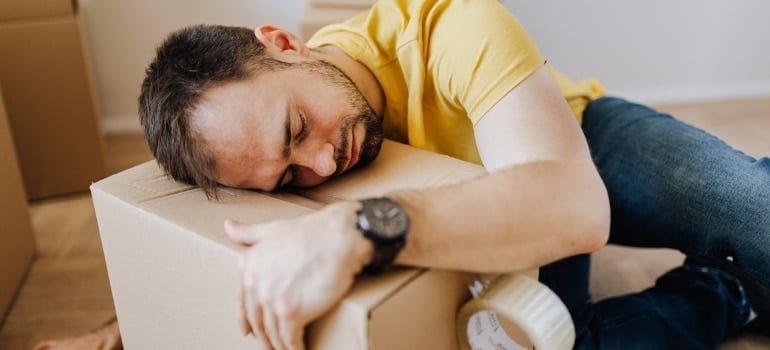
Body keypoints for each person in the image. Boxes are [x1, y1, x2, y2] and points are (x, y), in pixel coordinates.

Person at [37, 0, 769, 348]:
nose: (323, 164)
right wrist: (131, 324)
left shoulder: (449, 24)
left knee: (752, 208)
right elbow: (223, 249)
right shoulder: (275, 155)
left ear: (285, 44)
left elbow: (574, 206)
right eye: (292, 179)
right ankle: (727, 292)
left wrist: (359, 228)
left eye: (298, 128)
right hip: (492, 226)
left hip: (573, 142)